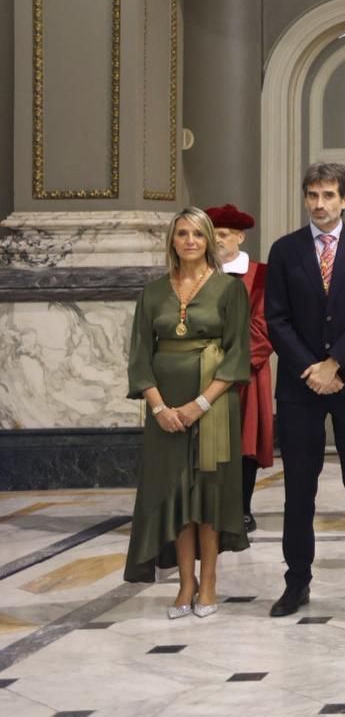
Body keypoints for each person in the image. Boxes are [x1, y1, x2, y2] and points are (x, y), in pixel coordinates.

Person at [264, 162, 345, 617]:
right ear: (305, 198)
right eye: (313, 195)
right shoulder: (284, 250)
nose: (320, 204)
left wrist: (334, 363)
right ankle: (296, 582)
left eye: (329, 195)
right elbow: (275, 319)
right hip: (300, 388)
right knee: (299, 489)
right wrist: (311, 368)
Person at [124, 208, 251, 619]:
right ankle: (185, 584)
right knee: (175, 494)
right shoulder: (154, 292)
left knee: (207, 494)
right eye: (182, 233)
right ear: (172, 241)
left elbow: (237, 355)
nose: (191, 240)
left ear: (210, 240)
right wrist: (159, 407)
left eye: (198, 233)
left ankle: (210, 582)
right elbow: (140, 357)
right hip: (165, 411)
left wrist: (200, 404)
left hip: (212, 406)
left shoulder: (230, 290)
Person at [208, 203, 272, 534]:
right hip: (202, 375)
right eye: (212, 234)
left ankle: (244, 508)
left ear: (240, 237)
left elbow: (264, 327)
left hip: (247, 373)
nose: (216, 240)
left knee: (244, 443)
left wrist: (230, 365)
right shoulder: (198, 274)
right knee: (210, 444)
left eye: (223, 234)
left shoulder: (261, 275)